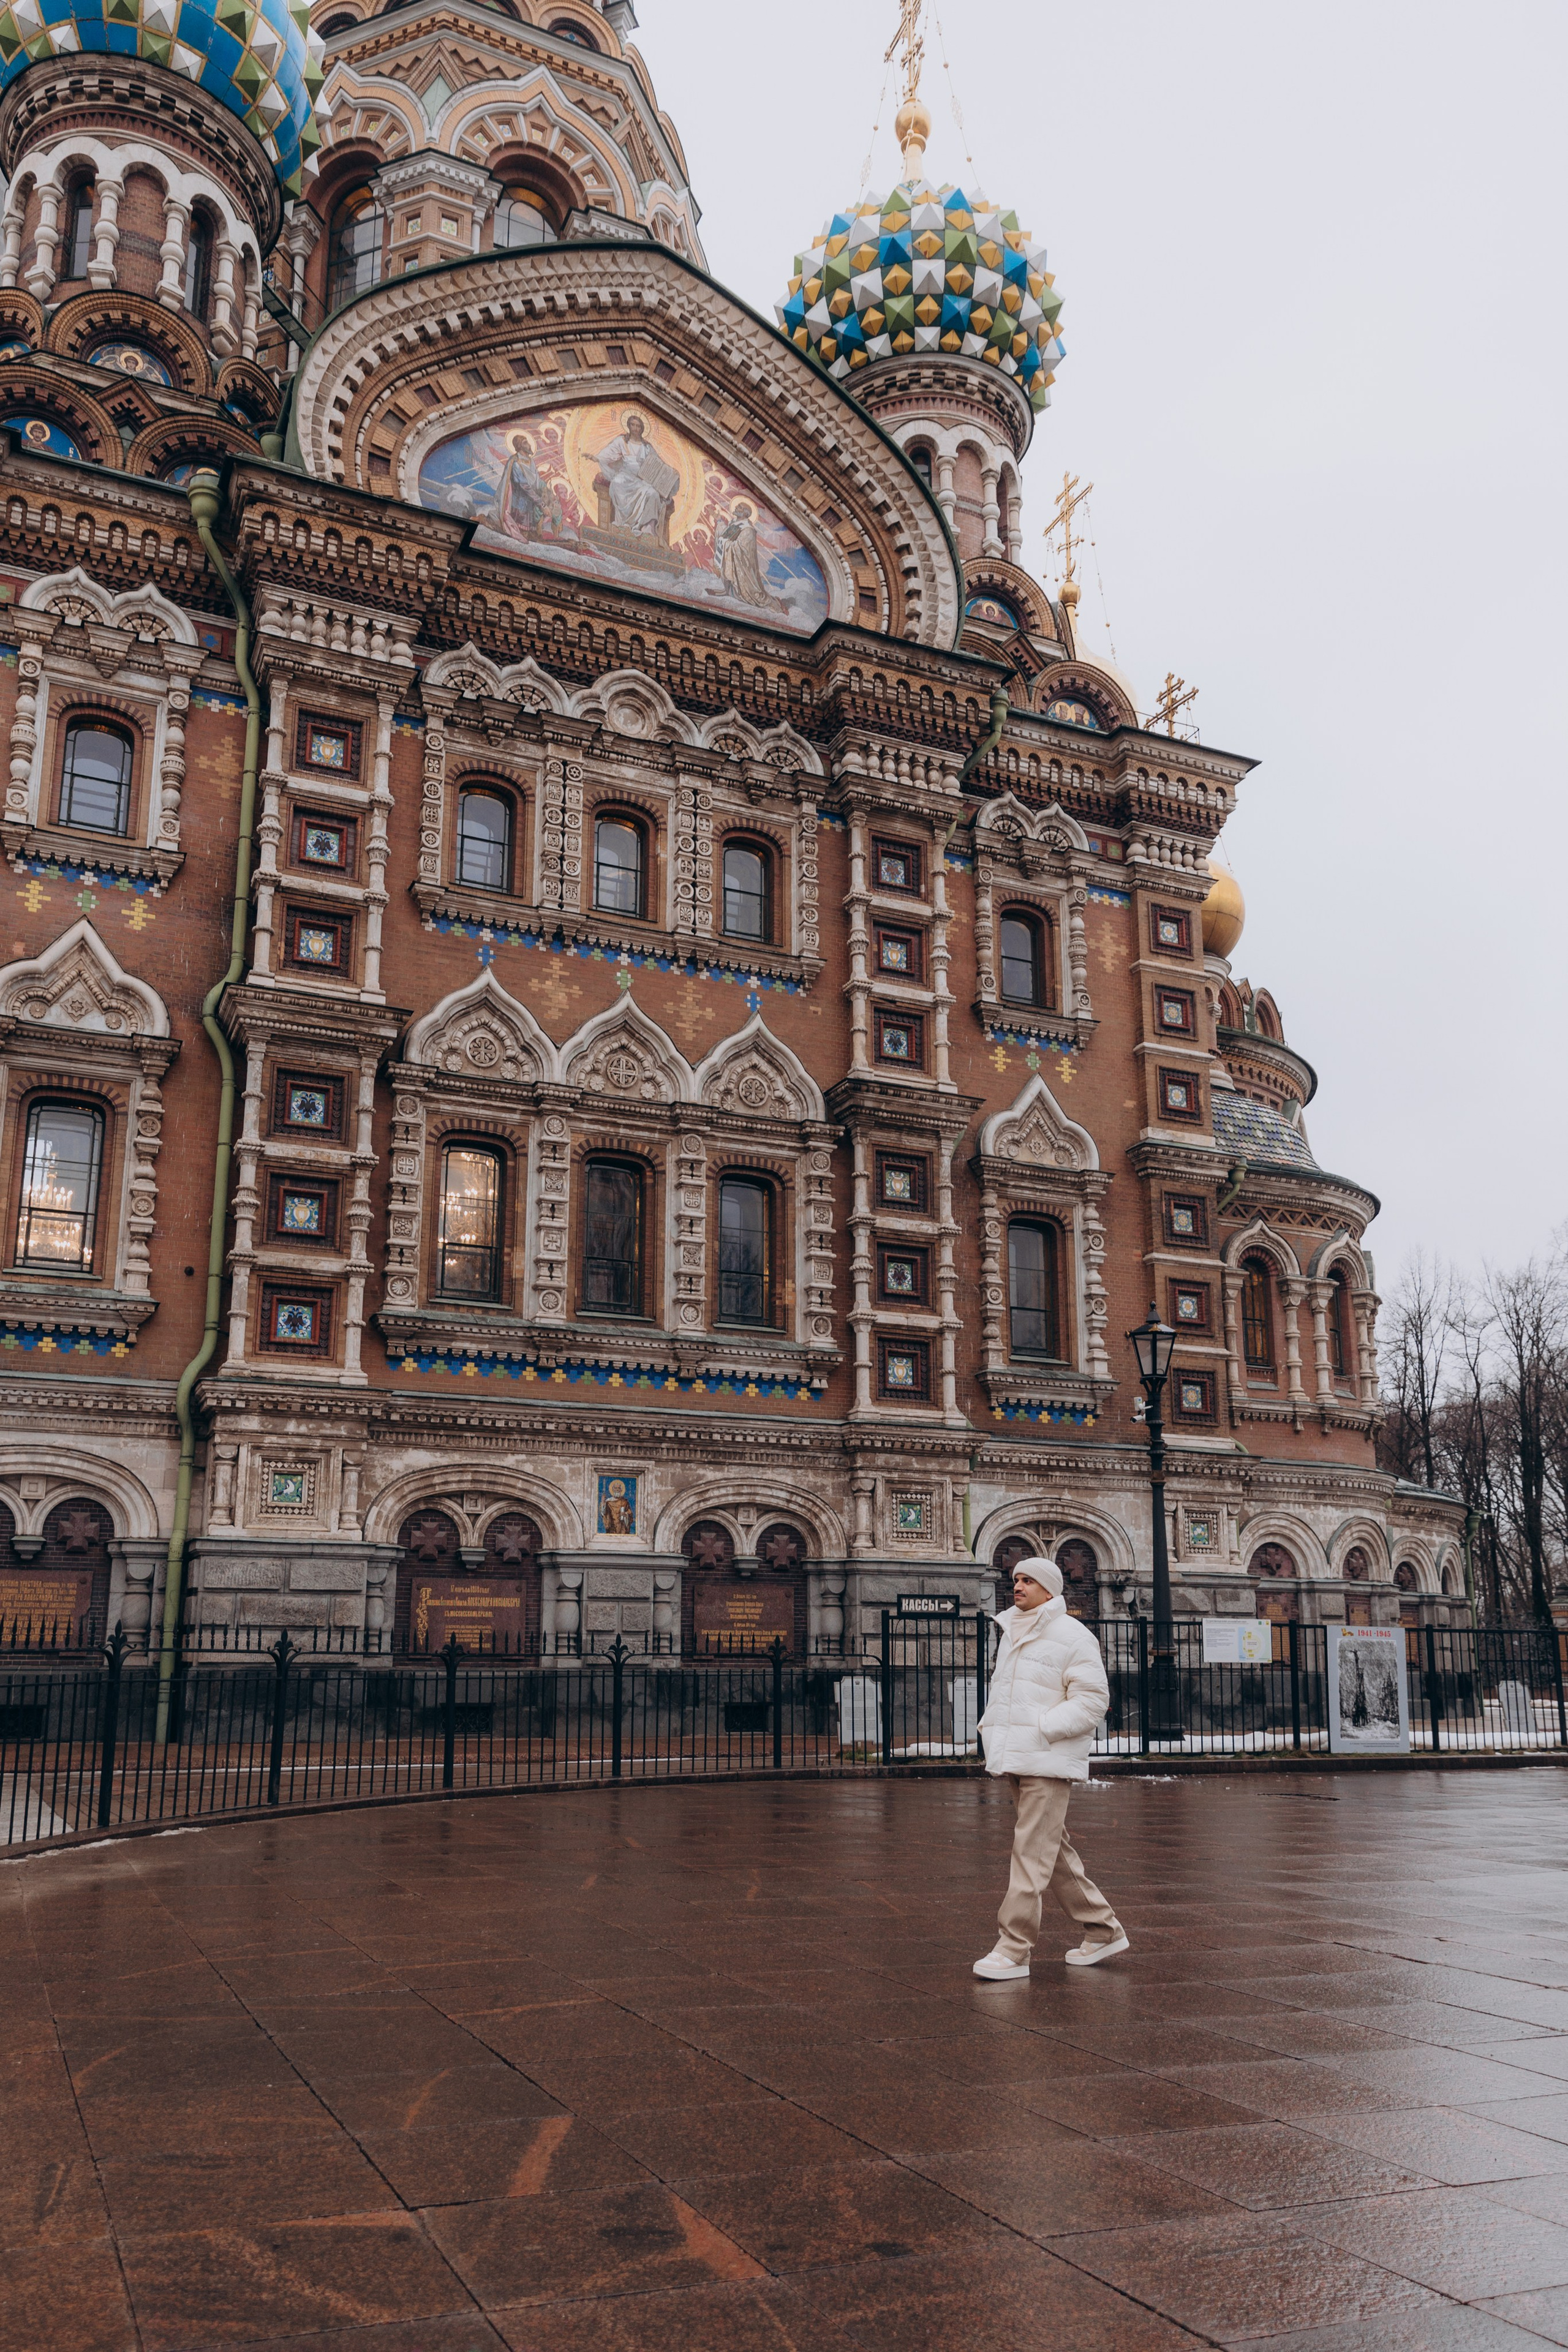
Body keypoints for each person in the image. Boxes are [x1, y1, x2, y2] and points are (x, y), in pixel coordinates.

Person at [973, 1553, 1128, 1978]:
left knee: (1029, 1852)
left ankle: (1014, 1948)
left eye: (1027, 1580)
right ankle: (1103, 1929)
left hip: (1047, 1759)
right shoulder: (1013, 1630)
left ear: (1049, 1589)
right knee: (1050, 1850)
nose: (1017, 1586)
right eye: (1016, 1579)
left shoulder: (1073, 1635)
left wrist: (1045, 1729)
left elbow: (1093, 1700)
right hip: (1019, 1755)